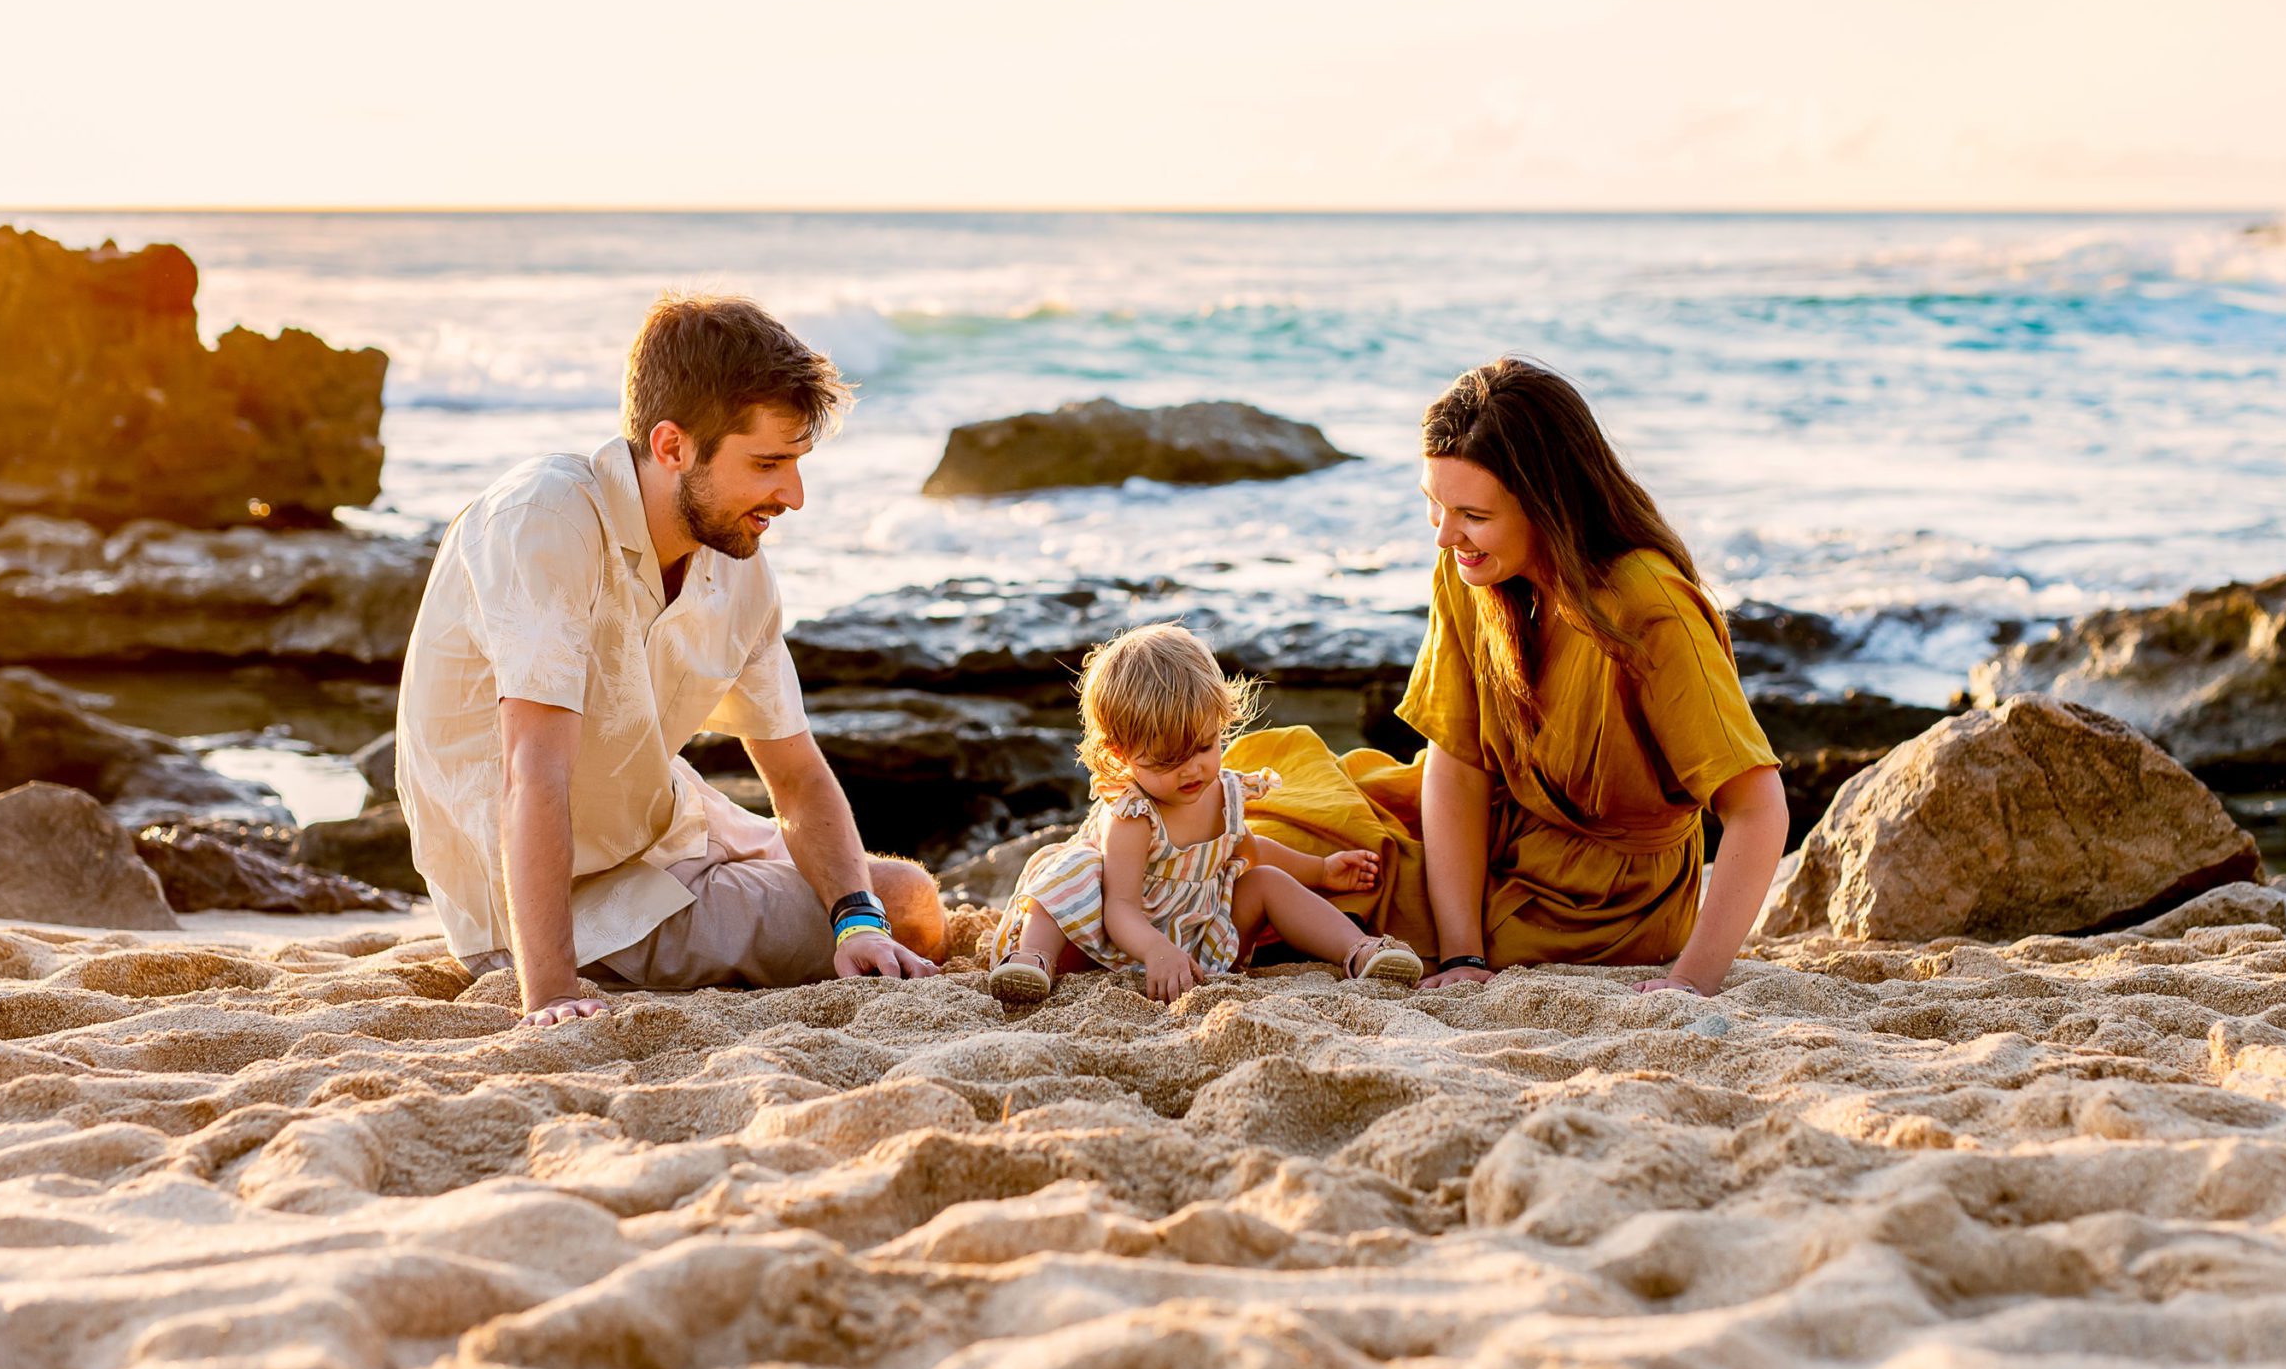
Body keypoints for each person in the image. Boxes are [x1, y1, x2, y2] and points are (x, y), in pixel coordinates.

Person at [394, 294, 944, 1029]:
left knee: (879, 908)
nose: (794, 495)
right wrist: (553, 992)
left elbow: (798, 776)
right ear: (671, 445)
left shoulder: (733, 562)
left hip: (663, 825)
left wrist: (853, 922)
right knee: (908, 903)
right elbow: (534, 769)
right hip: (568, 903)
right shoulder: (547, 520)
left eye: (797, 463)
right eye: (768, 463)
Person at [1228, 356, 1786, 996]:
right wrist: (1461, 954)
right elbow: (1458, 763)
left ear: (1548, 504)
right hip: (1492, 826)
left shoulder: (1648, 609)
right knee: (1255, 828)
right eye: (1433, 505)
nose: (1445, 536)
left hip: (1599, 900)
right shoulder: (1474, 569)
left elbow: (1758, 808)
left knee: (1301, 888)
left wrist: (1692, 980)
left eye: (1472, 514)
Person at [981, 623, 1424, 1004]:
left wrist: (1322, 870)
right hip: (1107, 946)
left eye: (1205, 747)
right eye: (1167, 761)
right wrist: (1156, 950)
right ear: (1121, 755)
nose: (1192, 769)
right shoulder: (1133, 814)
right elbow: (1119, 909)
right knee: (1067, 867)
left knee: (1264, 881)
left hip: (1198, 939)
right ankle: (1032, 959)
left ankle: (1360, 951)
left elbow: (1250, 849)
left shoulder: (1223, 790)